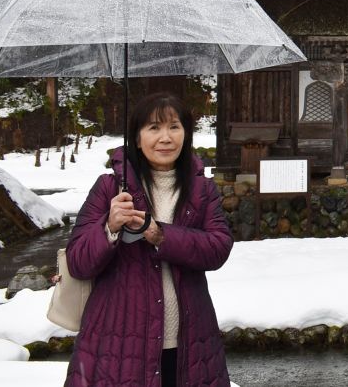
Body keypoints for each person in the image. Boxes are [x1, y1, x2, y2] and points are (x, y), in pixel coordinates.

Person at [64, 93, 233, 387]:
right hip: (118, 344)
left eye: (174, 127)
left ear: (186, 134)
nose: (165, 138)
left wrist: (160, 235)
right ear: (137, 137)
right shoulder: (110, 189)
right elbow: (78, 261)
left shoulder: (201, 190)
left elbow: (217, 248)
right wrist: (110, 226)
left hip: (191, 344)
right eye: (154, 128)